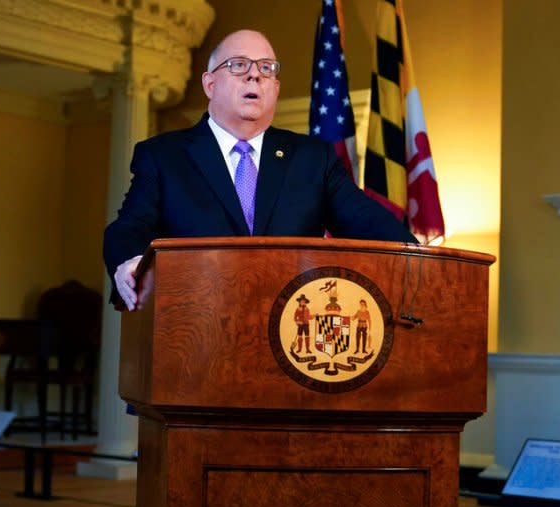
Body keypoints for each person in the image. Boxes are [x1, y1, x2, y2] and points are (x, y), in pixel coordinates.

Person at [104, 29, 418, 310]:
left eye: (266, 68)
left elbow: (370, 224)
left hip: (291, 335)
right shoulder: (163, 156)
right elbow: (130, 227)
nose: (255, 76)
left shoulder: (313, 159)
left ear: (276, 89)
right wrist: (130, 263)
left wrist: (420, 261)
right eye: (239, 65)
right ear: (210, 84)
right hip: (196, 330)